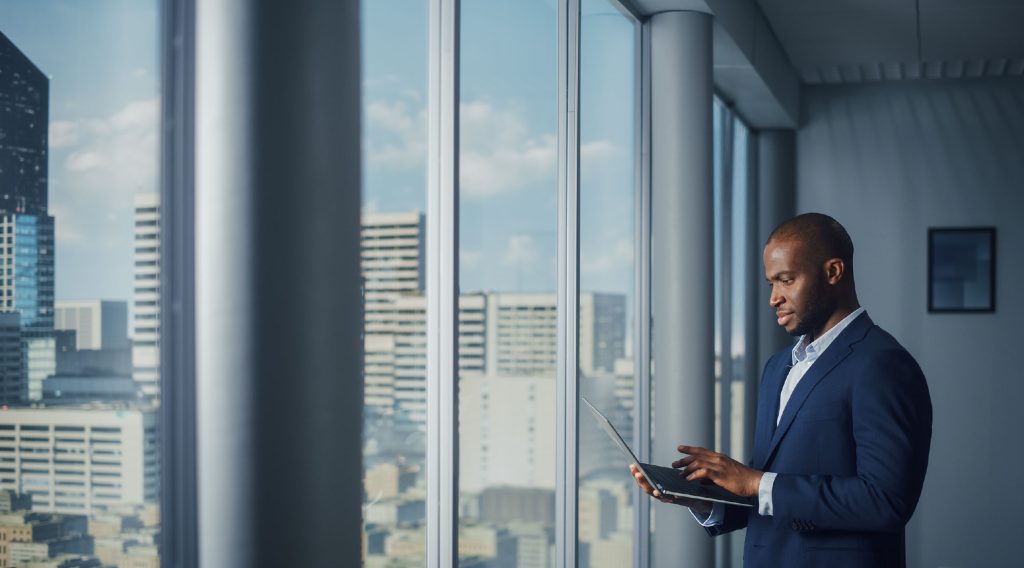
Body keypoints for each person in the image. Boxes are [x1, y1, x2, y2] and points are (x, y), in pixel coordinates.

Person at [632, 213, 932, 568]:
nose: (774, 297)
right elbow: (772, 496)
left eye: (786, 280)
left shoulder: (882, 364)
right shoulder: (777, 368)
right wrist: (701, 499)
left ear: (833, 272)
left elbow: (885, 502)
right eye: (771, 283)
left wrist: (756, 482)